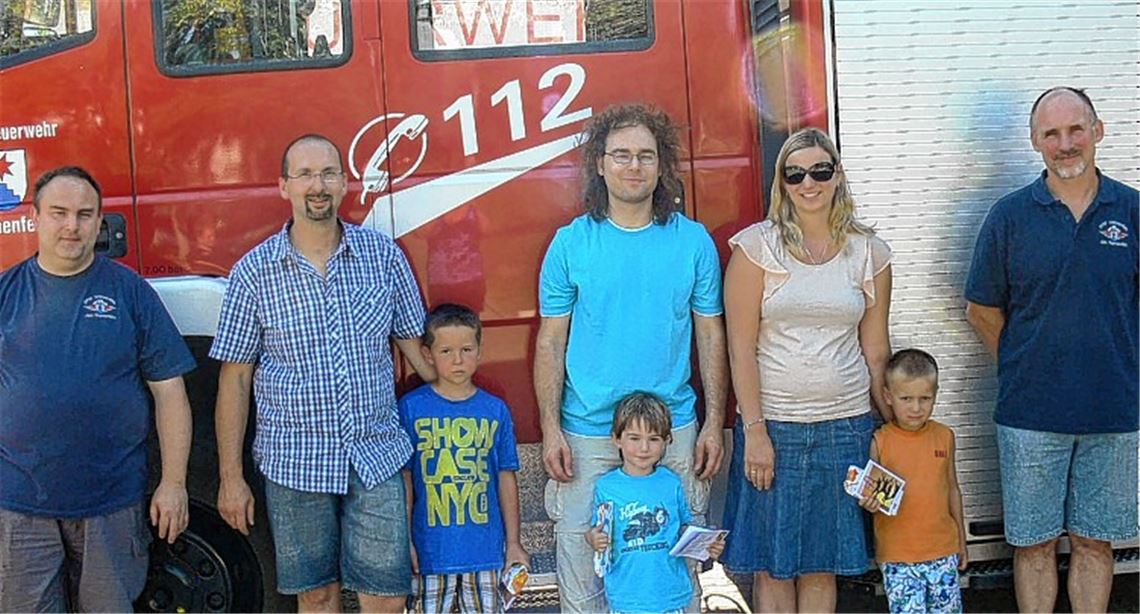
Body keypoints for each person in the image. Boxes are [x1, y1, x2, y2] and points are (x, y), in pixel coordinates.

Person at [210, 134, 436, 613]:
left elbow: (414, 347)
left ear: (344, 183)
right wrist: (231, 478)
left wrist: (461, 392)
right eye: (306, 174)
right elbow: (235, 379)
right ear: (283, 186)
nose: (319, 185)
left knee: (388, 597)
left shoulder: (383, 257)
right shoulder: (254, 273)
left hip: (375, 452)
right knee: (317, 596)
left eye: (329, 173)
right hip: (294, 459)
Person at [534, 103, 728, 612]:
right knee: (583, 563)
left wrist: (711, 424)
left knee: (677, 560)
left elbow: (711, 335)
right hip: (589, 433)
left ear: (661, 166)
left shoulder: (693, 242)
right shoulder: (570, 244)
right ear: (599, 163)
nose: (633, 166)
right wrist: (550, 429)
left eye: (645, 155)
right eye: (621, 155)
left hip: (672, 431)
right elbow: (551, 342)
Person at [964, 86, 1138, 613]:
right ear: (1035, 141)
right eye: (1052, 134)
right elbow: (981, 310)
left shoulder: (1132, 211)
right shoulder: (1010, 217)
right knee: (1033, 545)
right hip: (1030, 416)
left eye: (1075, 129)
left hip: (1114, 414)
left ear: (1098, 131)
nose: (1066, 144)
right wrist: (1025, 366)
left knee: (1094, 542)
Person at [0, 166, 195, 611]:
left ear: (99, 221)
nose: (72, 226)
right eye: (59, 212)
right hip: (19, 506)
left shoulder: (130, 292)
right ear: (35, 216)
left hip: (112, 504)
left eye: (85, 214)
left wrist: (174, 483)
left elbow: (169, 391)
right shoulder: (6, 293)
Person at [721, 126, 893, 612]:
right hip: (775, 426)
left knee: (823, 564)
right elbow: (740, 349)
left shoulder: (870, 252)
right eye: (795, 174)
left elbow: (876, 349)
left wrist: (894, 431)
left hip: (848, 426)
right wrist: (754, 431)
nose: (809, 183)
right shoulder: (755, 249)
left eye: (820, 170)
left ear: (837, 175)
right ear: (782, 183)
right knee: (773, 565)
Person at [400, 303, 528, 613]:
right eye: (446, 351)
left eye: (467, 349)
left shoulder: (495, 410)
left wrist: (513, 542)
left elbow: (505, 477)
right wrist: (404, 541)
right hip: (430, 552)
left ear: (480, 351)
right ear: (427, 355)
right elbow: (404, 481)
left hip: (485, 552)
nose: (458, 360)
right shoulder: (410, 408)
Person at [585, 392, 726, 614]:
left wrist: (708, 544)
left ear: (667, 441)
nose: (643, 448)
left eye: (653, 439)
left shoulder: (671, 482)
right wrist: (594, 538)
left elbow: (684, 528)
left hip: (669, 595)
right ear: (616, 439)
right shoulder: (606, 486)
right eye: (634, 438)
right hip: (626, 596)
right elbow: (596, 529)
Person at [859, 349, 966, 614]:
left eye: (924, 398)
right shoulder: (880, 442)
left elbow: (952, 488)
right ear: (888, 396)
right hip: (898, 558)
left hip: (943, 552)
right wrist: (869, 502)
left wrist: (961, 541)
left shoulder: (944, 436)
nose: (916, 408)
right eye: (906, 398)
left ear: (935, 395)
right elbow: (872, 497)